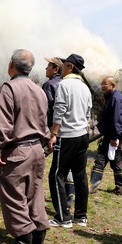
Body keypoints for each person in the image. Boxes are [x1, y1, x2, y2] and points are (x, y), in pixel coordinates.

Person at [0, 49, 51, 244]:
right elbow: (45, 121)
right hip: (37, 149)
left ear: (11, 65)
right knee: (34, 193)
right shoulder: (39, 90)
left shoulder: (9, 88)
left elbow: (3, 122)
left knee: (13, 193)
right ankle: (38, 239)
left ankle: (23, 241)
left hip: (17, 150)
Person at [47, 54, 92, 228]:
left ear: (70, 67)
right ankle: (81, 216)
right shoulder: (84, 87)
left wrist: (53, 133)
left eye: (64, 65)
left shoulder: (64, 84)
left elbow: (59, 110)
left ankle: (63, 217)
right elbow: (88, 112)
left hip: (67, 136)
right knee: (80, 176)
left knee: (56, 174)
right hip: (82, 135)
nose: (62, 69)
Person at [42, 57, 75, 208]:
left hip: (51, 130)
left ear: (55, 68)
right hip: (67, 131)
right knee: (63, 162)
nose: (45, 69)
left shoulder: (49, 85)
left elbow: (45, 109)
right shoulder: (68, 84)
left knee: (37, 155)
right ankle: (69, 193)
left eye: (48, 66)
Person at [89, 76, 122, 195]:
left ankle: (93, 186)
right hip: (112, 134)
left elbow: (116, 119)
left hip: (114, 135)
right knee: (115, 159)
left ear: (112, 85)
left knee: (101, 158)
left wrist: (114, 137)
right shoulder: (111, 97)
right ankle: (120, 188)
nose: (102, 86)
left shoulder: (116, 98)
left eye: (105, 84)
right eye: (102, 83)